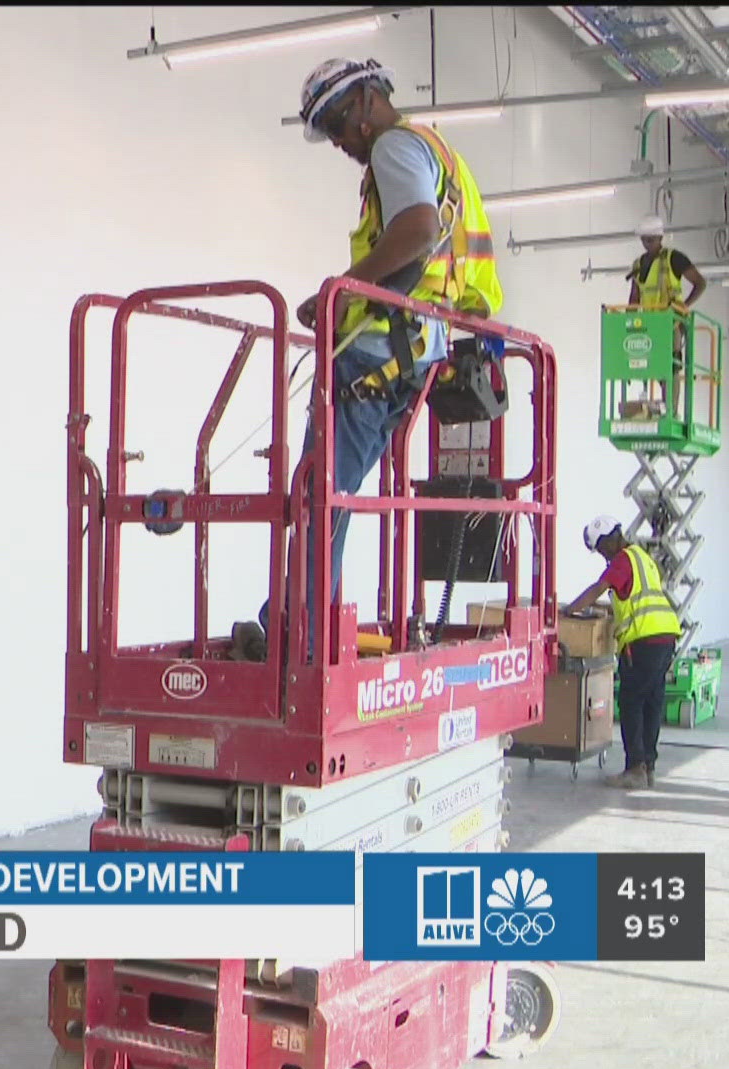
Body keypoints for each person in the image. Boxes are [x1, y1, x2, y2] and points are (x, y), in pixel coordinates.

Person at [232, 58, 504, 664]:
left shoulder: (394, 149)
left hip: (377, 353)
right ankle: (298, 623)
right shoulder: (438, 152)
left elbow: (417, 230)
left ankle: (297, 638)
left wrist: (343, 289)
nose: (337, 142)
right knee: (336, 494)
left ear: (363, 103)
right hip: (413, 353)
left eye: (334, 124)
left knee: (316, 495)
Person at [563, 515, 682, 790]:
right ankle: (648, 766)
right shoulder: (642, 557)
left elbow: (598, 588)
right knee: (652, 703)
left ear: (609, 539)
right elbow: (634, 596)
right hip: (666, 636)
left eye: (601, 548)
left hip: (645, 641)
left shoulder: (622, 560)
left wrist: (570, 610)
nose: (602, 555)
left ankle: (634, 769)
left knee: (630, 702)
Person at [626, 215, 707, 312]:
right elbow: (634, 298)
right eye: (644, 240)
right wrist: (628, 321)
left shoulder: (674, 258)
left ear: (660, 238)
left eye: (650, 240)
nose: (647, 244)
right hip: (650, 322)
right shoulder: (637, 264)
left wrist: (684, 307)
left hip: (672, 321)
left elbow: (700, 283)